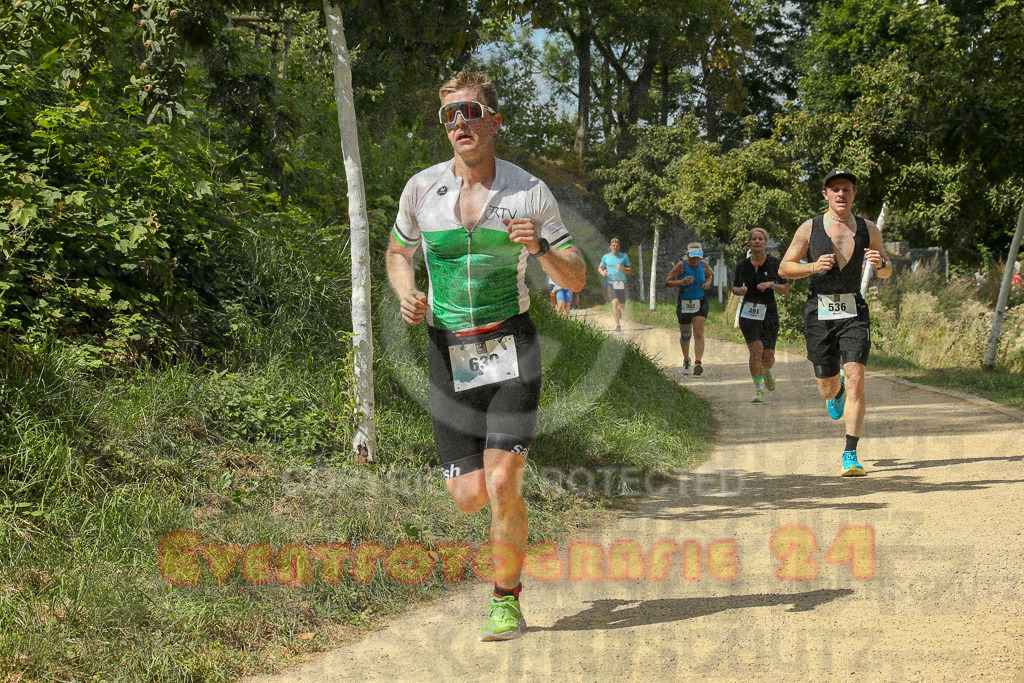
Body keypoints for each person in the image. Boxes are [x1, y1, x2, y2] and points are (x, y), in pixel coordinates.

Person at [385, 72, 586, 641]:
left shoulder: (529, 193)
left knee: (501, 482)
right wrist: (406, 292)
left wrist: (539, 247)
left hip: (510, 345)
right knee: (470, 496)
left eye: (470, 112)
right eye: (449, 115)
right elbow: (397, 252)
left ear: (494, 120)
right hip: (447, 348)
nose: (460, 124)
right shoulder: (421, 189)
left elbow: (576, 276)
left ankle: (505, 599)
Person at [778, 169, 892, 477]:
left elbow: (886, 270)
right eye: (835, 189)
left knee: (856, 377)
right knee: (828, 387)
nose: (841, 194)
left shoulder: (869, 229)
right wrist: (813, 267)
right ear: (826, 195)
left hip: (854, 311)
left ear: (854, 194)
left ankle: (850, 454)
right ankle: (835, 392)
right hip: (820, 312)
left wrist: (881, 264)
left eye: (847, 189)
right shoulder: (810, 227)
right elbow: (785, 268)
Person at [731, 228, 790, 403]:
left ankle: (767, 370)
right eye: (754, 239)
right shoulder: (743, 266)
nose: (757, 241)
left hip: (769, 313)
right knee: (756, 350)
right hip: (749, 313)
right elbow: (734, 287)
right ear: (749, 242)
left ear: (765, 242)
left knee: (768, 356)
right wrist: (739, 290)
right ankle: (758, 390)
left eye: (760, 239)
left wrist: (772, 285)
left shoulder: (774, 264)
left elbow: (785, 289)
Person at [665, 242, 714, 375]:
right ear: (687, 255)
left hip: (700, 301)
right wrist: (681, 282)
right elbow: (667, 282)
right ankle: (686, 359)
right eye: (693, 257)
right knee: (686, 334)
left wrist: (707, 283)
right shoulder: (681, 265)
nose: (695, 260)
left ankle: (698, 363)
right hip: (685, 303)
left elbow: (709, 275)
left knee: (699, 333)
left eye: (698, 257)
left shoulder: (704, 264)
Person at [598, 238, 631, 331]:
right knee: (615, 303)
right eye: (613, 245)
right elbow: (599, 268)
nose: (615, 247)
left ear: (619, 247)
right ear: (610, 246)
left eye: (616, 246)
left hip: (622, 283)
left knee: (622, 306)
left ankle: (618, 310)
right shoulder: (606, 257)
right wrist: (603, 273)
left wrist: (622, 268)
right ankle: (618, 325)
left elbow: (629, 270)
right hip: (611, 283)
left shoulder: (624, 256)